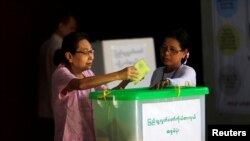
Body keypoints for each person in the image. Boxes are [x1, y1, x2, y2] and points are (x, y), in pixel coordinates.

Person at [51, 32, 138, 141]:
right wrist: (118, 74)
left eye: (92, 51)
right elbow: (80, 84)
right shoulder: (61, 73)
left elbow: (106, 95)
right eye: (86, 52)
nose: (91, 57)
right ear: (69, 56)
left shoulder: (88, 74)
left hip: (89, 136)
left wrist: (126, 81)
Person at [37, 11, 77, 140]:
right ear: (61, 26)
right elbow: (63, 78)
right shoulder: (59, 46)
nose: (73, 32)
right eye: (71, 28)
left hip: (45, 105)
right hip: (54, 105)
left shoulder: (46, 44)